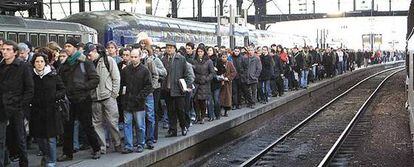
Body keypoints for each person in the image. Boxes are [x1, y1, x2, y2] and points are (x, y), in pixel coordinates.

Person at [58, 38, 101, 161]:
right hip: (69, 99)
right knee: (67, 127)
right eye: (65, 46)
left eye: (69, 46)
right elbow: (60, 81)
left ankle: (96, 149)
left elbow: (95, 79)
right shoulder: (64, 64)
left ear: (75, 48)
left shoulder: (85, 62)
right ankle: (67, 153)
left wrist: (83, 87)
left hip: (83, 99)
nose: (66, 48)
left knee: (87, 125)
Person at [0, 40, 34, 167]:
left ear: (15, 52)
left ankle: (23, 163)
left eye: (8, 49)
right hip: (2, 107)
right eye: (3, 49)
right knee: (1, 139)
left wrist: (21, 104)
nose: (4, 52)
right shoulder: (1, 66)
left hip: (17, 107)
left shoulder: (23, 66)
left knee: (20, 138)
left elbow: (30, 89)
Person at [85, 43, 122, 154]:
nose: (88, 56)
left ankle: (117, 143)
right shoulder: (88, 64)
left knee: (112, 122)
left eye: (89, 53)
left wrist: (114, 94)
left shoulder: (108, 60)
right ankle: (102, 146)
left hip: (108, 96)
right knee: (97, 123)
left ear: (95, 51)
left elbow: (116, 77)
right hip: (94, 97)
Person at [30, 53, 65, 167]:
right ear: (33, 63)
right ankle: (46, 156)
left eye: (41, 61)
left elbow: (62, 89)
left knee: (51, 137)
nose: (39, 64)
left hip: (51, 111)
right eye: (37, 62)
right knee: (39, 137)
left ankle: (52, 161)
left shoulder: (53, 75)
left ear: (45, 63)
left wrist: (55, 96)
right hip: (36, 111)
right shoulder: (31, 77)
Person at [120, 49, 153, 153]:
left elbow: (148, 86)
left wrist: (140, 97)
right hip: (128, 102)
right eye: (132, 57)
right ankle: (128, 145)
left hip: (139, 103)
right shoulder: (126, 70)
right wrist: (123, 97)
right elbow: (122, 85)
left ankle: (140, 144)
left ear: (140, 57)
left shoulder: (144, 70)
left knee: (140, 125)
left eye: (135, 57)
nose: (133, 59)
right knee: (127, 124)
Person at [161, 43, 193, 137]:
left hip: (178, 89)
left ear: (175, 49)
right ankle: (172, 130)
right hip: (167, 89)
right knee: (170, 111)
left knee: (180, 110)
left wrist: (185, 85)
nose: (169, 49)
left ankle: (184, 127)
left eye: (171, 48)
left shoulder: (181, 59)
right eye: (167, 48)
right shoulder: (163, 59)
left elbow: (187, 74)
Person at [193, 47, 215, 124]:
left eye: (201, 52)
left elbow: (212, 73)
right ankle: (197, 116)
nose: (200, 53)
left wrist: (206, 79)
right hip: (196, 83)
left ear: (204, 52)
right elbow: (192, 71)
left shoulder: (209, 61)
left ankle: (202, 116)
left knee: (202, 101)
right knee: (195, 101)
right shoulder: (195, 61)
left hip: (204, 84)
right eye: (198, 52)